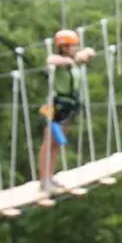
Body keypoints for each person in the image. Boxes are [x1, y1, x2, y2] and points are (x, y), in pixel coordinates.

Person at [39, 28, 95, 192]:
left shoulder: (75, 61)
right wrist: (68, 61)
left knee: (56, 144)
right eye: (73, 46)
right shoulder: (59, 63)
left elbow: (90, 52)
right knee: (48, 143)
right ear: (64, 47)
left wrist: (81, 56)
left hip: (67, 109)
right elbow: (50, 59)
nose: (76, 48)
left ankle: (51, 176)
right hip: (55, 108)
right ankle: (44, 180)